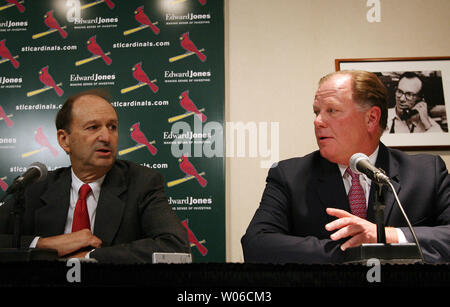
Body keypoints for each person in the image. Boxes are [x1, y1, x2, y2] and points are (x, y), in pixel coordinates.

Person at [241, 70, 450, 264]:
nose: (318, 121)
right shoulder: (290, 175)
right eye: (316, 112)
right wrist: (352, 250)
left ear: (371, 118)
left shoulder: (427, 172)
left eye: (332, 110)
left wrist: (387, 235)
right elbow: (256, 244)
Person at [0, 89, 190, 263]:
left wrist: (89, 256)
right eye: (93, 127)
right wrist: (44, 245)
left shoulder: (142, 182)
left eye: (112, 127)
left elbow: (175, 246)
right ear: (64, 140)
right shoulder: (36, 186)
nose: (106, 137)